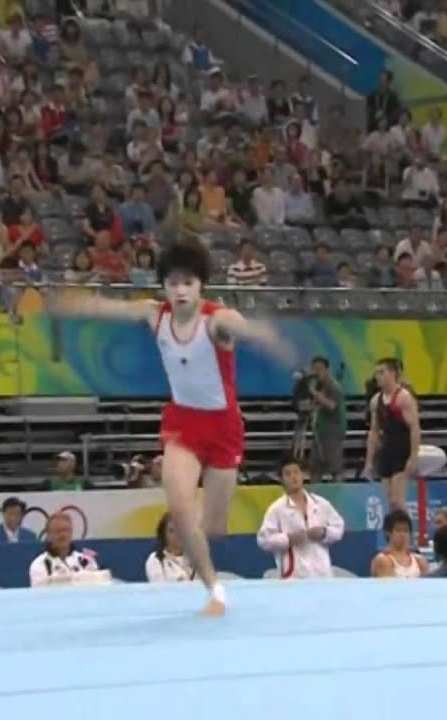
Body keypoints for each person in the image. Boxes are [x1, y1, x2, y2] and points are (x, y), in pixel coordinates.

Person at [50, 239, 293, 616]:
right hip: (183, 423)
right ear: (163, 286)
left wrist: (268, 338)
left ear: (201, 287)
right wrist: (74, 304)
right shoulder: (155, 315)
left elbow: (245, 328)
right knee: (179, 508)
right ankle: (215, 590)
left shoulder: (217, 321)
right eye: (173, 283)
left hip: (224, 427)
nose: (180, 291)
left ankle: (204, 560)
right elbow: (110, 308)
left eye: (188, 283)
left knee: (213, 528)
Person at [257, 458, 345, 580]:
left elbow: (339, 527)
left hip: (321, 572)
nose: (294, 477)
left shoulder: (320, 503)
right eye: (288, 474)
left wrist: (324, 532)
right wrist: (288, 539)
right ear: (282, 480)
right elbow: (264, 540)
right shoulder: (277, 509)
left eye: (296, 472)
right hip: (294, 574)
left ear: (302, 475)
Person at [364, 358, 421, 511]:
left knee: (398, 501)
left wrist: (413, 457)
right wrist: (369, 461)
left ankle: (407, 534)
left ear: (393, 374)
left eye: (381, 372)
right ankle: (395, 534)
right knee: (390, 503)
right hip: (386, 452)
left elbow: (414, 428)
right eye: (376, 373)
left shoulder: (404, 398)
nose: (377, 376)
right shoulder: (376, 401)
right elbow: (374, 431)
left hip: (402, 451)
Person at [29, 512, 108, 588]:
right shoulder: (39, 565)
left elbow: (97, 590)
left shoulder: (87, 561)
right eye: (58, 531)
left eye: (66, 530)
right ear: (49, 535)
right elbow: (40, 597)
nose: (63, 535)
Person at [371, 509, 430, 579]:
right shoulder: (383, 560)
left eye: (406, 530)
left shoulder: (420, 561)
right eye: (398, 530)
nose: (402, 534)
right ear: (388, 533)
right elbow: (387, 588)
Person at [146, 512, 194, 582]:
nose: (177, 534)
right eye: (171, 531)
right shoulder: (156, 559)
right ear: (164, 534)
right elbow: (159, 589)